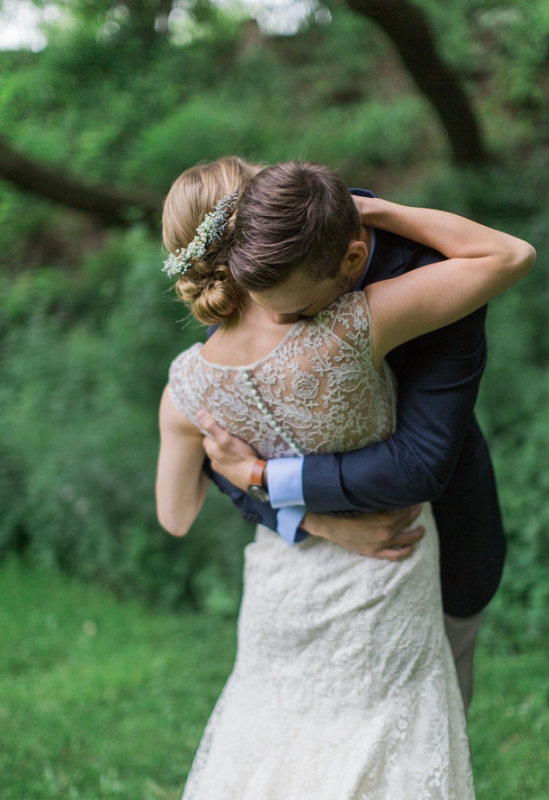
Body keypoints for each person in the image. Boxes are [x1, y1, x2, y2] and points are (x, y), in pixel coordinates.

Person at [155, 159, 535, 800]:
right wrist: (319, 515)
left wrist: (260, 479)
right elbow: (509, 254)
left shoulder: (185, 387)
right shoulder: (355, 324)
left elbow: (174, 516)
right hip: (391, 570)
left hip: (288, 593)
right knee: (397, 761)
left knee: (271, 759)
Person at [178, 159, 505, 714]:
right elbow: (221, 434)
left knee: (431, 720)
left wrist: (264, 475)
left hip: (430, 534)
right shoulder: (258, 275)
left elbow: (420, 464)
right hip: (306, 567)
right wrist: (308, 519)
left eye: (298, 311)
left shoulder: (432, 276)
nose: (273, 329)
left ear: (350, 260)